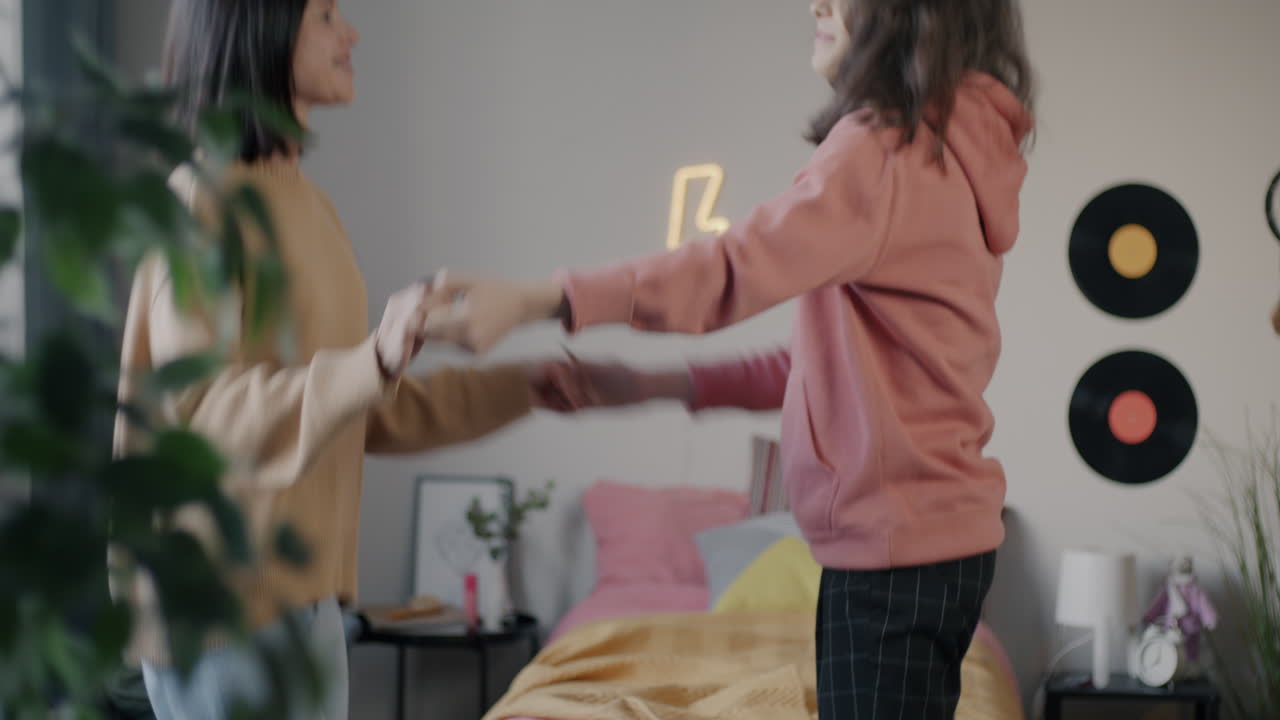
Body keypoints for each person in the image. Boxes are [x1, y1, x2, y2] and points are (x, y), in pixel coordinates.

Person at [423, 0, 1035, 717]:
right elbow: (824, 367)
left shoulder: (883, 150)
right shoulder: (953, 152)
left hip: (891, 555)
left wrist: (542, 298)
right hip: (947, 543)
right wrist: (645, 384)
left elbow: (727, 270)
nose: (818, 3)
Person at [110, 1, 567, 718]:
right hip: (227, 612)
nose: (350, 32)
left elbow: (357, 412)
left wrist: (529, 387)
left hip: (307, 603)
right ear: (258, 28)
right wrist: (374, 360)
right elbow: (201, 418)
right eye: (325, 14)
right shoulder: (200, 204)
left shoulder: (311, 210)